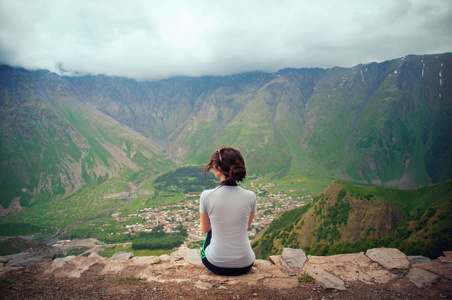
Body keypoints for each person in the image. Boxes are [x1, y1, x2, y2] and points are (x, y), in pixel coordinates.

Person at [199, 147, 257, 276]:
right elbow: (245, 227)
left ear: (219, 169)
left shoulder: (206, 195)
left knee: (211, 231)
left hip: (215, 265)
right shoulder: (251, 196)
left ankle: (219, 254)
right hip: (246, 264)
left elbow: (205, 229)